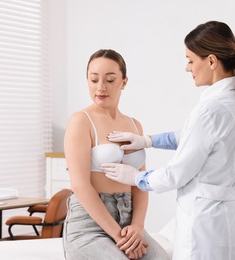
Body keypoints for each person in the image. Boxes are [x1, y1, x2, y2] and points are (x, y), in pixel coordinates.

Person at [100, 21, 235, 260]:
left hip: (207, 225)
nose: (187, 68)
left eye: (190, 60)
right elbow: (197, 138)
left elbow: (176, 174)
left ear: (211, 61)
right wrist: (147, 141)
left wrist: (136, 178)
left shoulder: (211, 109)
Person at [63, 49, 170, 260]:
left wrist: (137, 227)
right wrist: (120, 238)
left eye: (110, 80)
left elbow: (139, 184)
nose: (100, 87)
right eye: (94, 80)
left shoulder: (134, 125)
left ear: (124, 82)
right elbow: (80, 186)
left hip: (128, 221)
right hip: (89, 225)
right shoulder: (80, 121)